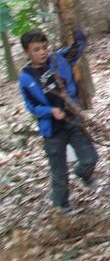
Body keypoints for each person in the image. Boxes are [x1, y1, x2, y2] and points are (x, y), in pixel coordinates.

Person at [19, 28, 98, 214]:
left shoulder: (58, 60)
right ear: (27, 52)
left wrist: (76, 28)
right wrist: (49, 111)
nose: (42, 52)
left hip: (72, 120)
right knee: (59, 171)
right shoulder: (26, 77)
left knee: (90, 157)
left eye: (44, 47)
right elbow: (31, 106)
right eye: (36, 50)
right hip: (52, 130)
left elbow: (78, 48)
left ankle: (83, 173)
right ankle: (61, 206)